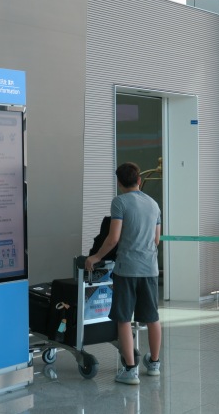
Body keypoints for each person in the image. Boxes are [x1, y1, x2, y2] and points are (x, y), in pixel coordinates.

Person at [85, 162, 162, 385]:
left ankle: (130, 370)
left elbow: (113, 238)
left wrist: (96, 257)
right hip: (149, 269)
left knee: (124, 319)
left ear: (119, 182)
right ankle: (154, 363)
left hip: (127, 269)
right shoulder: (154, 204)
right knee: (152, 318)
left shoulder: (119, 202)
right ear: (139, 180)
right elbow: (157, 240)